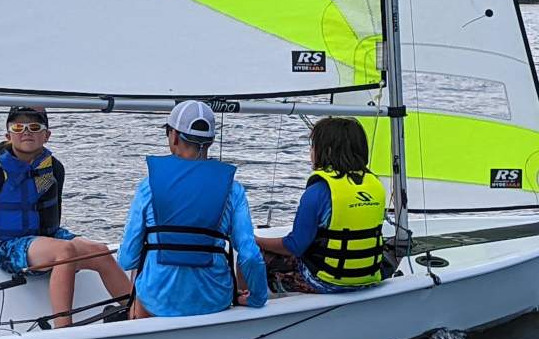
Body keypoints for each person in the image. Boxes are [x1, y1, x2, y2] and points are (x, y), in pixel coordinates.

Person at [0, 107, 131, 328]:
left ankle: (137, 315)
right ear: (8, 136)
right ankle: (63, 328)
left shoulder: (54, 168)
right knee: (64, 251)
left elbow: (51, 213)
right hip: (7, 246)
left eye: (35, 127)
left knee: (100, 250)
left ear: (47, 135)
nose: (27, 132)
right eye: (18, 127)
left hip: (45, 240)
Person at [118, 100, 267, 318]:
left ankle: (134, 324)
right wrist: (257, 298)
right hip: (214, 300)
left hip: (157, 301)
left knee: (142, 275)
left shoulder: (148, 186)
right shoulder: (233, 190)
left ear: (174, 136)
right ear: (212, 140)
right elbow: (250, 256)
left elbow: (127, 259)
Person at [256, 117, 386, 293]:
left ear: (328, 150)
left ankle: (246, 304)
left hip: (326, 282)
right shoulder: (375, 184)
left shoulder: (318, 191)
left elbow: (294, 245)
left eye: (313, 146)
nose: (311, 151)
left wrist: (255, 240)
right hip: (369, 277)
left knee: (253, 256)